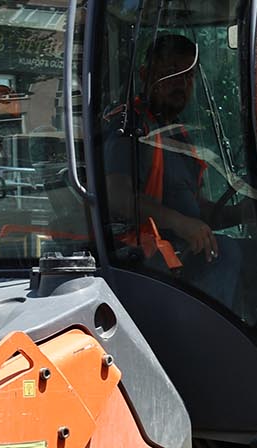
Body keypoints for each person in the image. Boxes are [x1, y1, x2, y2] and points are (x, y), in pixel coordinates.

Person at [105, 34, 246, 303]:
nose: (181, 83)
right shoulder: (128, 126)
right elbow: (117, 196)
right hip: (140, 262)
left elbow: (194, 208)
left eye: (188, 75)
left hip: (177, 254)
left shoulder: (177, 134)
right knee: (227, 252)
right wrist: (178, 223)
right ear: (146, 75)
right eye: (171, 73)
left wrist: (243, 213)